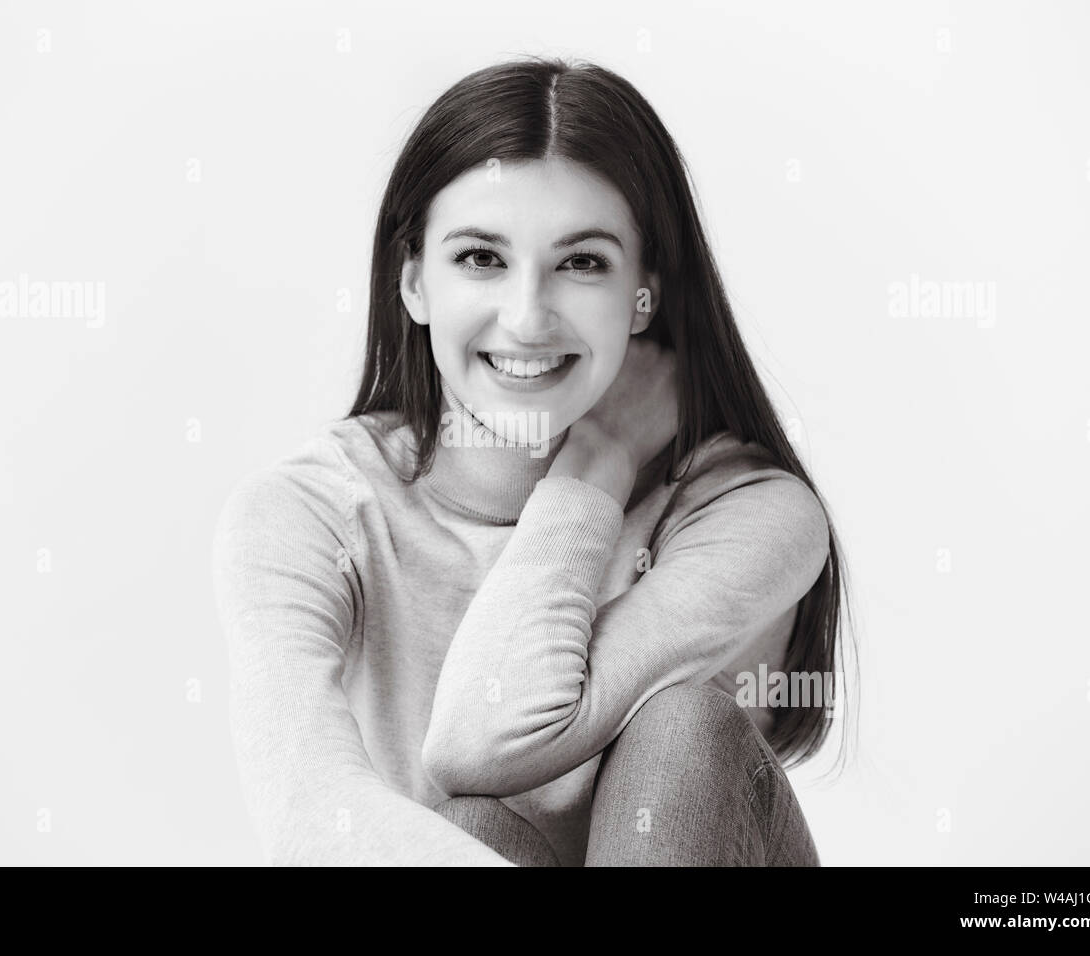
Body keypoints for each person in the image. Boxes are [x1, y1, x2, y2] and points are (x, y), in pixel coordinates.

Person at [212, 56, 855, 866]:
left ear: (643, 294)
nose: (526, 317)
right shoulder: (310, 513)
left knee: (680, 730)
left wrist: (596, 466)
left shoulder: (751, 512)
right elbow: (311, 816)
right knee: (470, 822)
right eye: (481, 257)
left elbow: (482, 738)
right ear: (413, 283)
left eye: (581, 262)